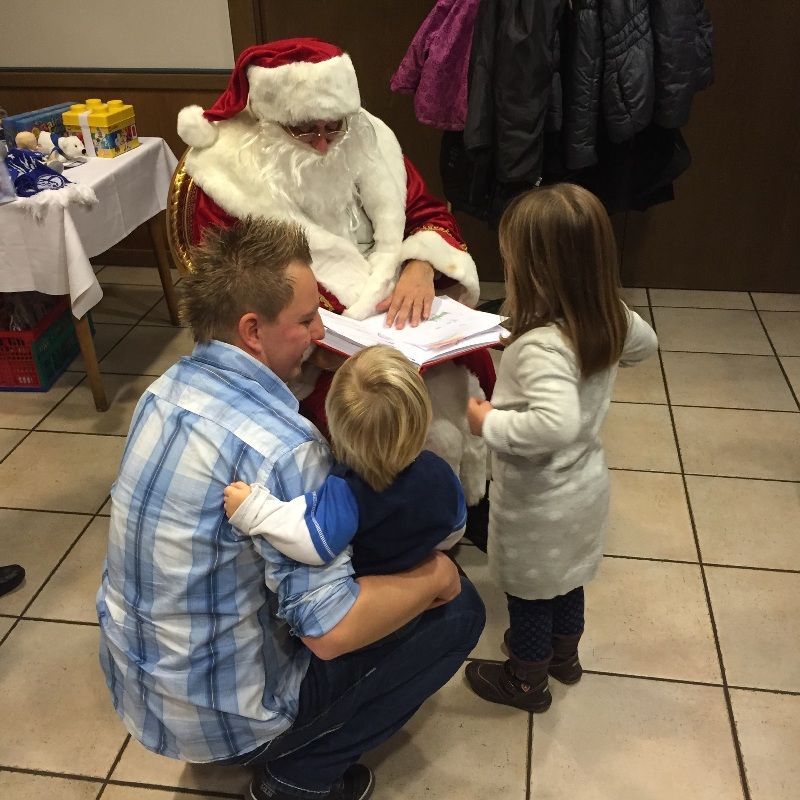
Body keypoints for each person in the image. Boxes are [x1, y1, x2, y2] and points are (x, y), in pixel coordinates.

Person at [96, 217, 486, 800]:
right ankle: (298, 776)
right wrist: (438, 576)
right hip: (232, 723)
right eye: (306, 320)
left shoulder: (163, 390)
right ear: (253, 331)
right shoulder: (287, 450)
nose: (322, 330)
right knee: (460, 609)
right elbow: (331, 632)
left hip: (143, 694)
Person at [175, 36, 495, 513]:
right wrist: (312, 343)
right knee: (380, 413)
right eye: (304, 130)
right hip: (311, 348)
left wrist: (421, 264)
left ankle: (453, 505)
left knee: (464, 367)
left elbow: (427, 212)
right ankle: (393, 524)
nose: (324, 143)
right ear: (269, 120)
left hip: (399, 315)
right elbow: (232, 295)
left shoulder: (368, 136)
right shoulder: (225, 178)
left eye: (333, 127)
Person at [463, 183, 658, 712]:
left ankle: (527, 680)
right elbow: (646, 346)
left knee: (529, 593)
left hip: (539, 500)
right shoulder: (609, 317)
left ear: (531, 272)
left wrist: (488, 422)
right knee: (568, 580)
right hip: (586, 487)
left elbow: (555, 424)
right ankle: (565, 657)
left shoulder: (540, 349)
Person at [223, 345, 466, 574]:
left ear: (332, 421)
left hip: (369, 592)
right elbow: (454, 530)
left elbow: (311, 543)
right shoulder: (441, 473)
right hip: (419, 575)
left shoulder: (346, 489)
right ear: (425, 417)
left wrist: (253, 510)